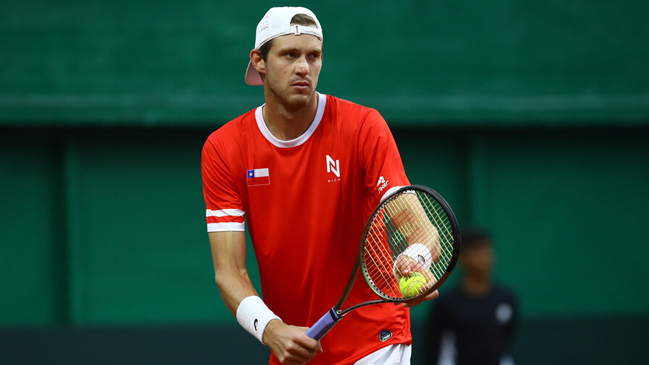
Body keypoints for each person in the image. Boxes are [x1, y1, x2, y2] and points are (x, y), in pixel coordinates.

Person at [201, 6, 438, 365]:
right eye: (290, 55)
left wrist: (416, 258)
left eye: (314, 56)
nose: (303, 68)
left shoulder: (363, 127)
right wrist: (270, 329)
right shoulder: (224, 148)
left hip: (376, 340)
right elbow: (229, 272)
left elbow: (424, 231)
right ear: (259, 61)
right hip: (296, 347)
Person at [423, 229, 518, 365]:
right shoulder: (446, 303)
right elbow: (432, 349)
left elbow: (507, 341)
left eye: (487, 250)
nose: (485, 256)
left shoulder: (507, 299)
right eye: (477, 250)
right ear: (463, 257)